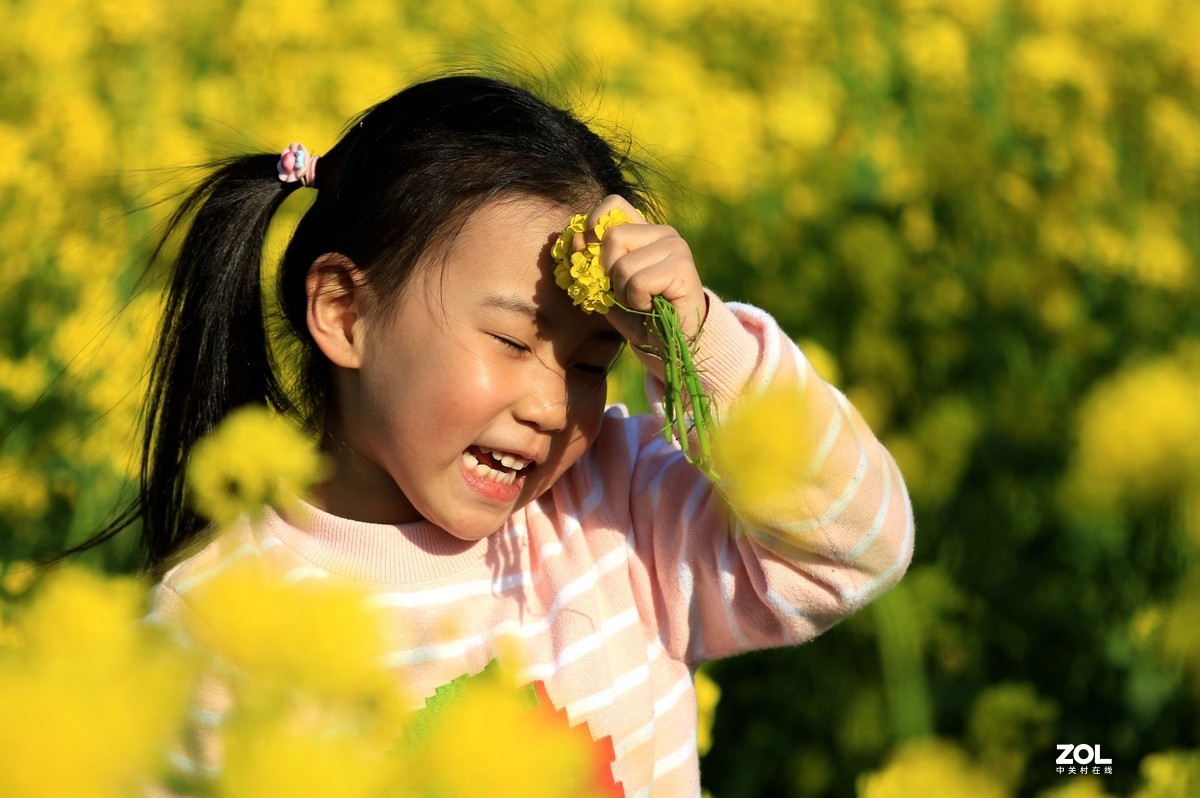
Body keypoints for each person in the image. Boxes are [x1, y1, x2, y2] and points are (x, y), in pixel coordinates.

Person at [124, 73, 913, 795]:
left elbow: (856, 545)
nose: (550, 404)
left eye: (590, 363)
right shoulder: (216, 628)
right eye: (510, 342)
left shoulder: (617, 512)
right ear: (343, 312)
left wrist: (698, 339)